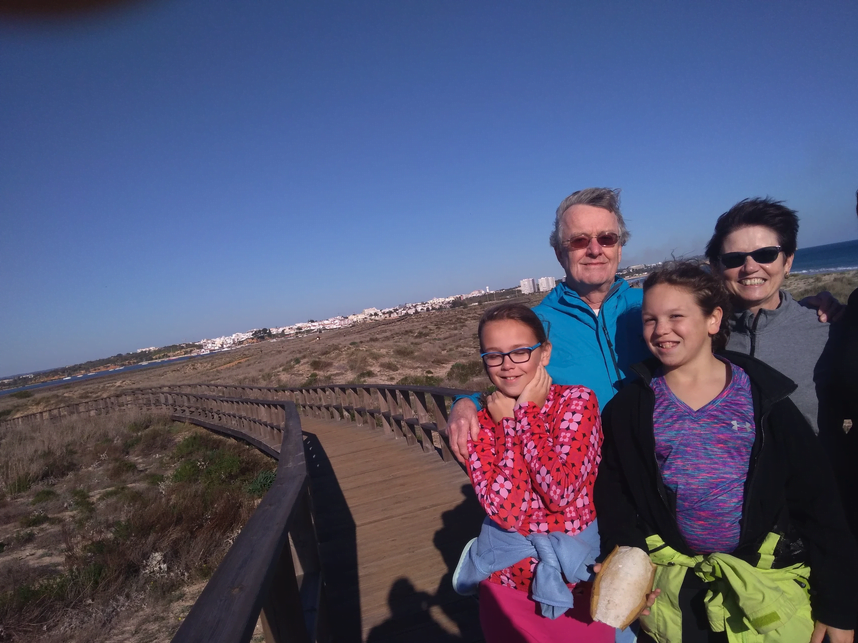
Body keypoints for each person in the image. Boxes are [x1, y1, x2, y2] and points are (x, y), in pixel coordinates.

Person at [594, 262, 858, 643]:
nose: (661, 329)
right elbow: (615, 492)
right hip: (677, 589)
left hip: (763, 578)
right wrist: (624, 555)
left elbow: (818, 501)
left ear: (713, 319)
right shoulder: (629, 408)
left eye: (676, 316)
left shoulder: (764, 397)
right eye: (650, 319)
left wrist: (838, 605)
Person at [445, 187, 651, 464]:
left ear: (619, 248)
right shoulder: (536, 324)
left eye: (606, 238)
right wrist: (466, 404)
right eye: (579, 240)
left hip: (664, 470)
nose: (594, 250)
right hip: (585, 480)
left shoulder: (653, 308)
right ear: (559, 253)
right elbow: (507, 375)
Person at [453, 302, 616, 642]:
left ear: (544, 353)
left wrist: (524, 415)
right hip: (505, 588)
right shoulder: (478, 424)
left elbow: (560, 491)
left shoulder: (577, 402)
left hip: (578, 581)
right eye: (494, 355)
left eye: (520, 352)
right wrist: (509, 427)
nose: (507, 365)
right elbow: (506, 511)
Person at [704, 198, 842, 439]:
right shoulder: (701, 337)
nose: (750, 267)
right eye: (734, 258)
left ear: (787, 261)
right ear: (716, 268)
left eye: (766, 254)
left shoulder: (828, 328)